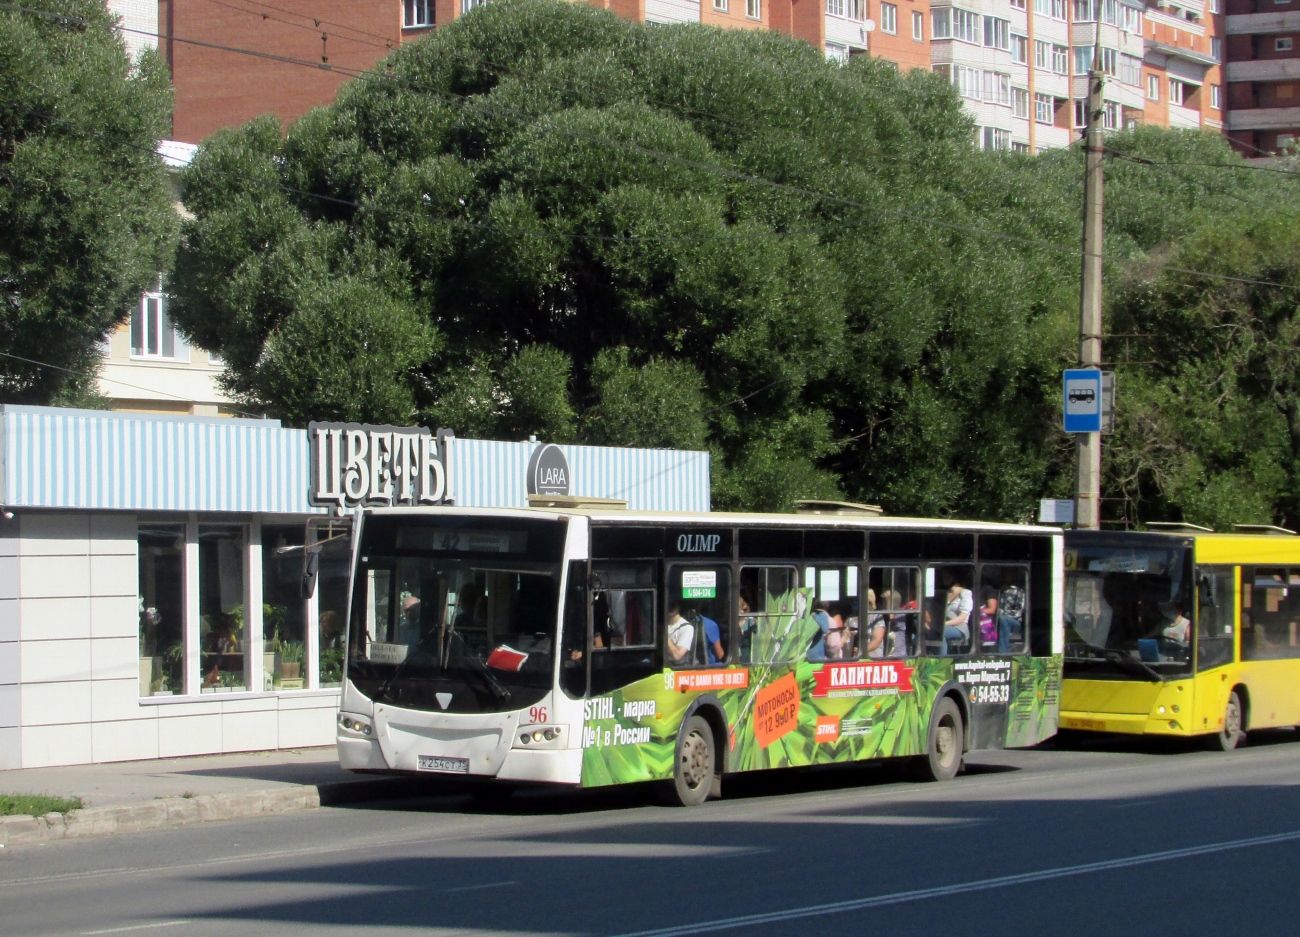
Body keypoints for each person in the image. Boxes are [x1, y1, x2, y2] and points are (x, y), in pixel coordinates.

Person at [943, 577, 973, 655]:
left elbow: (962, 618)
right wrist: (952, 595)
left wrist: (944, 624)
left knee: (940, 633)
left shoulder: (966, 593)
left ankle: (941, 660)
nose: (945, 578)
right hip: (942, 624)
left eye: (947, 576)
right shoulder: (946, 593)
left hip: (959, 627)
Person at [665, 601, 695, 665]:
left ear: (678, 607)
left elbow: (677, 656)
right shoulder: (658, 624)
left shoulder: (687, 628)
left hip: (674, 667)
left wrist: (664, 636)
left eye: (673, 605)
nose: (670, 608)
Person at [864, 589, 887, 659]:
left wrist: (861, 651)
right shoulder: (851, 618)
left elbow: (877, 640)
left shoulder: (877, 617)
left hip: (872, 655)